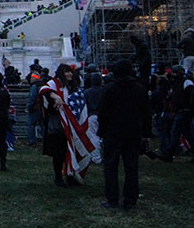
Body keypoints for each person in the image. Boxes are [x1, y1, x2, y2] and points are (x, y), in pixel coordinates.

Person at [97, 59, 151, 211]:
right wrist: (146, 133)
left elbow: (103, 113)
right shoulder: (140, 89)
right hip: (133, 133)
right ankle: (130, 201)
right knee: (131, 168)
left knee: (111, 167)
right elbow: (146, 112)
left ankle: (113, 199)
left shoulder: (109, 89)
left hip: (113, 133)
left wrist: (102, 131)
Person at [40, 64, 95, 186]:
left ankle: (71, 174)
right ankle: (59, 177)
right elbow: (44, 90)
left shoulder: (72, 86)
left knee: (71, 150)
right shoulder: (54, 84)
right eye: (66, 72)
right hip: (59, 126)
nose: (69, 74)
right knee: (59, 153)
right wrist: (56, 97)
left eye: (70, 72)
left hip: (71, 125)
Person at [160, 65, 194, 163]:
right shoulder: (177, 83)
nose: (172, 75)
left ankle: (169, 154)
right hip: (181, 111)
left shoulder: (186, 82)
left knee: (175, 132)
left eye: (174, 73)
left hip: (185, 111)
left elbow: (191, 96)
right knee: (188, 134)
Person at [84, 72, 106, 164]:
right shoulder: (105, 90)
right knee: (104, 137)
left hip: (92, 115)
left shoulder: (87, 92)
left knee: (93, 137)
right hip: (104, 115)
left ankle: (96, 157)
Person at [25, 66, 43, 147]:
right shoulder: (42, 85)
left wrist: (28, 107)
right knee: (42, 125)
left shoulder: (34, 86)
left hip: (34, 108)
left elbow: (32, 97)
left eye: (33, 77)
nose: (31, 78)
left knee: (31, 124)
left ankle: (32, 140)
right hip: (42, 108)